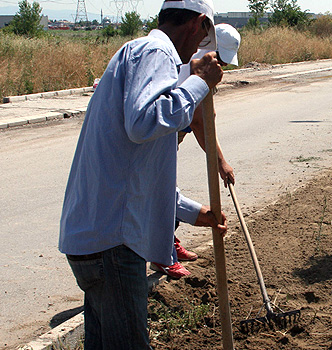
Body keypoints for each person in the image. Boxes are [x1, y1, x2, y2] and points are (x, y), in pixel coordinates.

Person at [59, 0, 227, 348]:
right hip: (113, 243)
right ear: (197, 25)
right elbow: (145, 122)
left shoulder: (134, 55)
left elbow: (140, 173)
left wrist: (197, 214)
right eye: (200, 41)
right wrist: (198, 84)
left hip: (98, 238)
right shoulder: (155, 52)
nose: (196, 51)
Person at [152, 23, 242, 279]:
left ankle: (168, 242)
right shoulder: (190, 70)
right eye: (221, 60)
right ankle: (163, 255)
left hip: (168, 138)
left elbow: (204, 120)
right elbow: (200, 123)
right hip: (159, 138)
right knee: (160, 194)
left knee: (164, 189)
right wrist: (221, 163)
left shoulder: (193, 64)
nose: (221, 67)